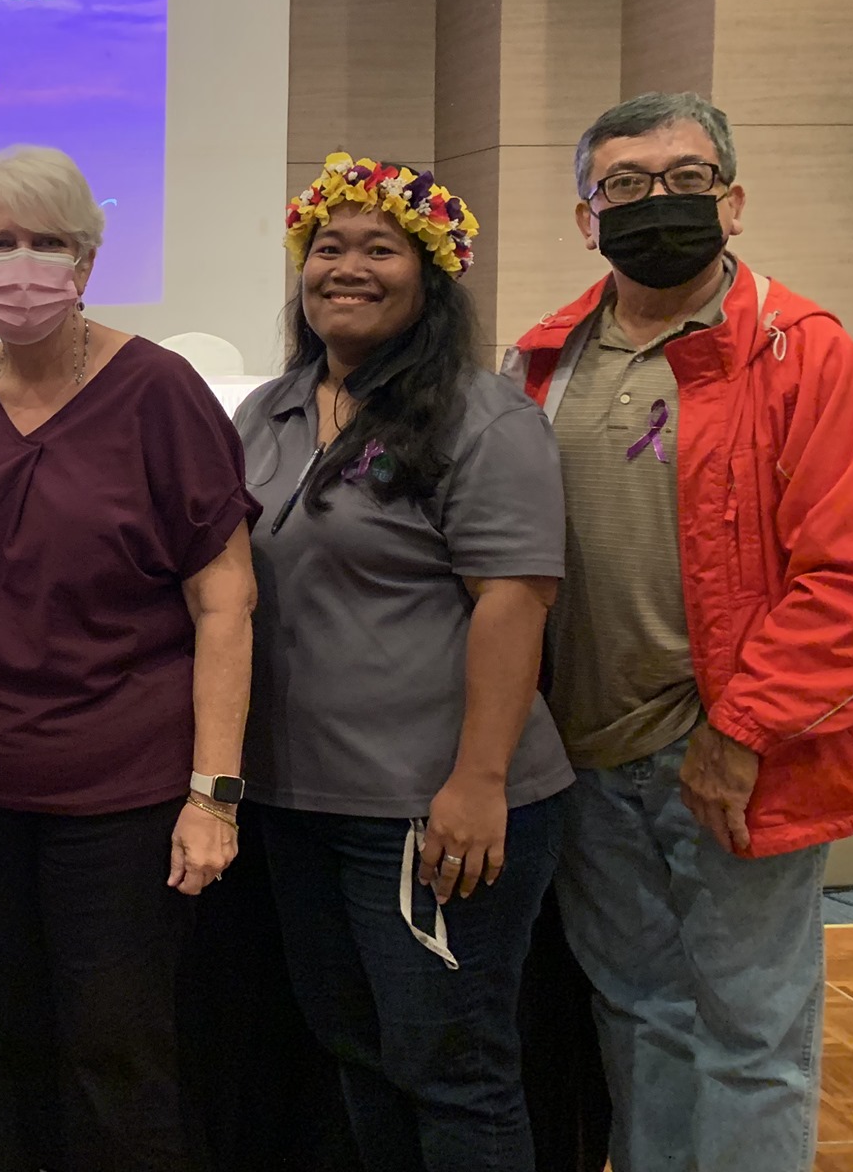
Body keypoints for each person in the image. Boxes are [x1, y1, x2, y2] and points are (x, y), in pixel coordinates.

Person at [509, 92, 853, 1172]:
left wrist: (740, 737)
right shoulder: (543, 359)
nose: (656, 204)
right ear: (587, 218)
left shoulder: (804, 352)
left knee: (750, 1039)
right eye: (624, 186)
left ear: (730, 203)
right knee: (637, 1018)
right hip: (585, 758)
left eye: (683, 181)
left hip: (731, 758)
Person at [0, 146, 257, 1172]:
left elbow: (225, 600)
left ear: (88, 261)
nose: (20, 265)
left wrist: (214, 794)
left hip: (125, 795)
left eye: (46, 242)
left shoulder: (158, 391)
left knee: (116, 1055)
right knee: (17, 1047)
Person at [236, 154, 575, 1172]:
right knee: (353, 1050)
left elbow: (513, 605)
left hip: (430, 810)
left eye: (379, 248)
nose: (346, 267)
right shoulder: (269, 410)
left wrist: (476, 783)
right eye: (327, 248)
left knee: (450, 1068)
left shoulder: (481, 419)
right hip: (297, 799)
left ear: (430, 276)